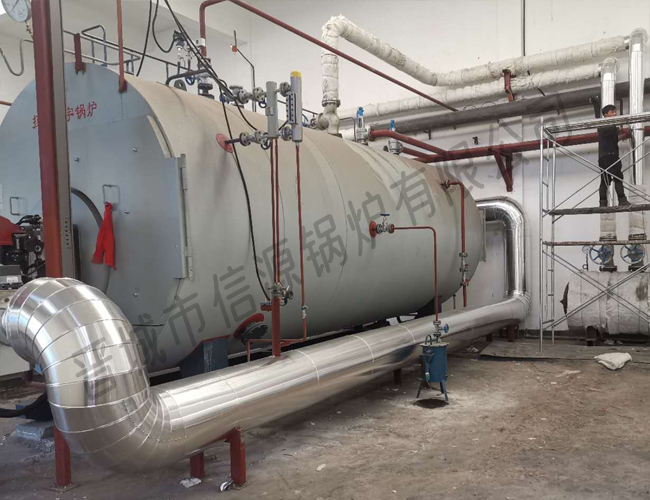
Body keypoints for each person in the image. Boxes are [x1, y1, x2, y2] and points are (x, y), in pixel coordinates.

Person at [598, 104, 629, 207]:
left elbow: (612, 139)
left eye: (615, 112)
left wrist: (621, 134)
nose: (615, 114)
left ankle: (603, 203)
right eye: (612, 112)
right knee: (618, 178)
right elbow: (614, 136)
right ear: (605, 114)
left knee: (604, 181)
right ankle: (622, 200)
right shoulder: (608, 125)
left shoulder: (601, 126)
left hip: (603, 158)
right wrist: (623, 133)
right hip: (611, 156)